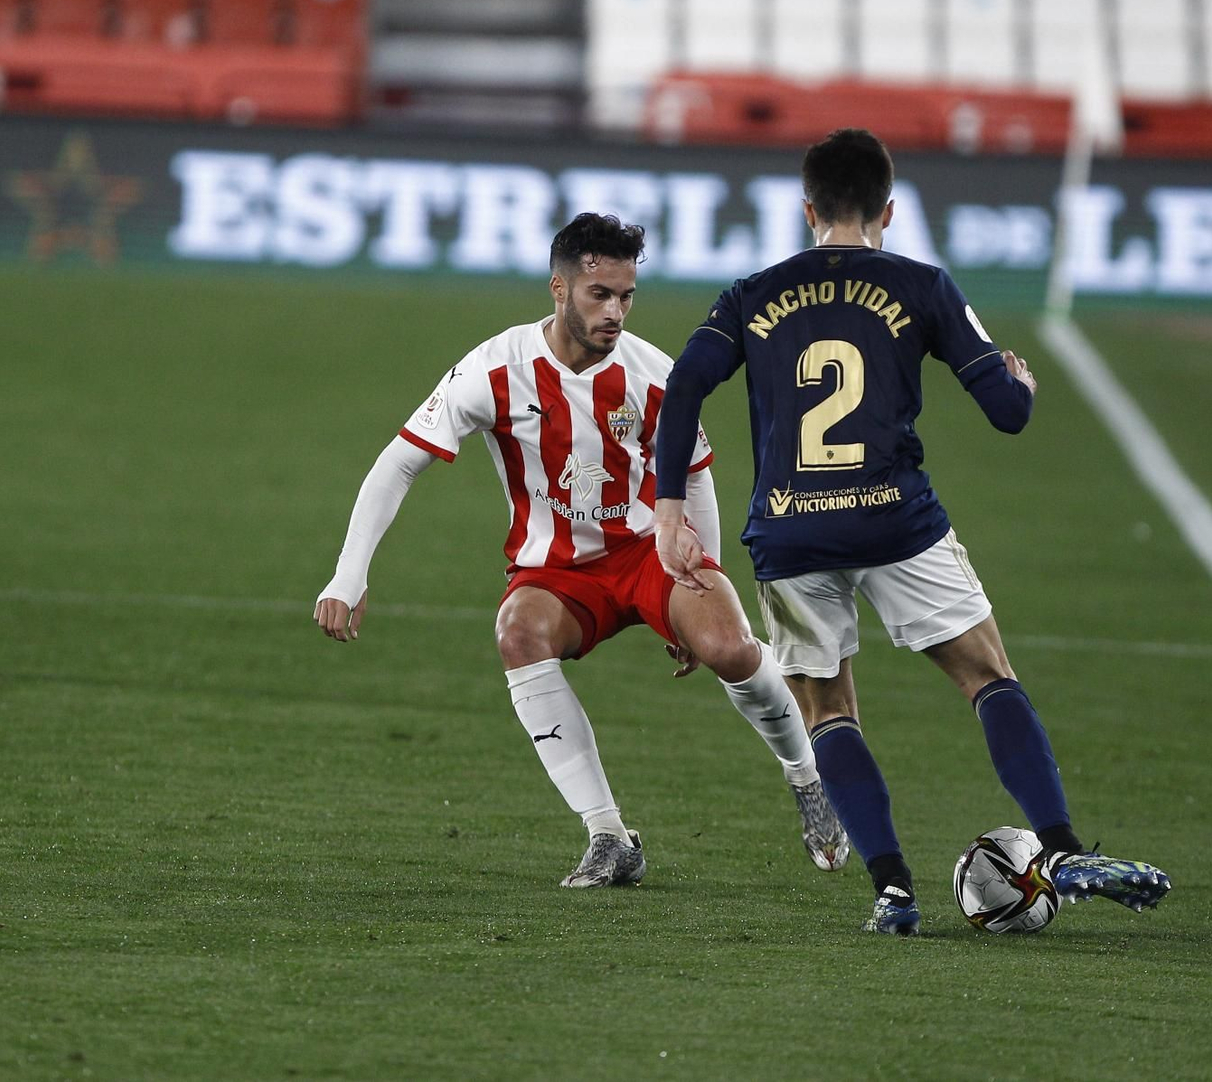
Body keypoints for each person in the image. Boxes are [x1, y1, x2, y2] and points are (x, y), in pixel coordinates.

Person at [649, 129, 1170, 934]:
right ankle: (1061, 847)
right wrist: (1021, 381)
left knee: (829, 715)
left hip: (790, 529)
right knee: (987, 675)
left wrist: (670, 510)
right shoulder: (922, 285)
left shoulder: (752, 292)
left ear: (807, 207)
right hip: (896, 518)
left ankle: (893, 889)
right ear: (889, 209)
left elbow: (684, 385)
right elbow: (1007, 412)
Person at [313, 212, 849, 887]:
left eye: (627, 295)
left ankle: (807, 777)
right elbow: (399, 462)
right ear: (559, 289)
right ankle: (609, 835)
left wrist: (701, 568)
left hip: (648, 553)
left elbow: (697, 469)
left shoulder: (656, 374)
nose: (616, 310)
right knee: (518, 631)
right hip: (558, 570)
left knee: (730, 647)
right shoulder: (495, 369)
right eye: (601, 294)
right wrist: (348, 574)